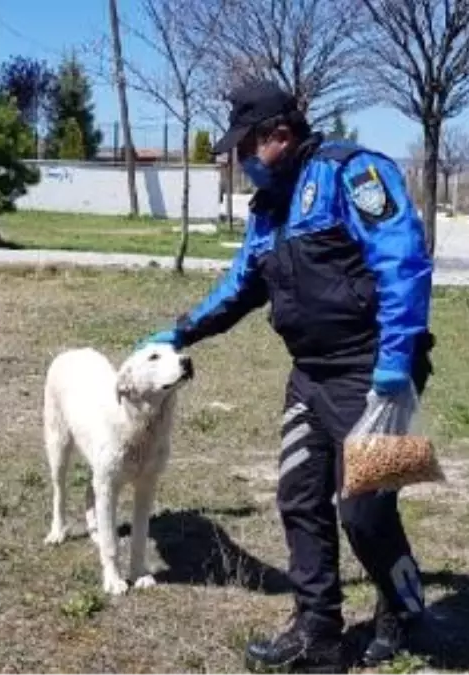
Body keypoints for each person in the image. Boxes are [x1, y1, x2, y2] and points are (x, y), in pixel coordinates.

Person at [139, 80, 436, 673]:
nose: (239, 161)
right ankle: (317, 632)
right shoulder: (269, 207)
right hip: (310, 375)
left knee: (365, 513)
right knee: (298, 499)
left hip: (374, 372)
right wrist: (180, 331)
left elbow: (403, 264)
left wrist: (395, 366)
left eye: (245, 147)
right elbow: (242, 285)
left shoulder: (353, 174)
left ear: (279, 135)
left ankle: (402, 607)